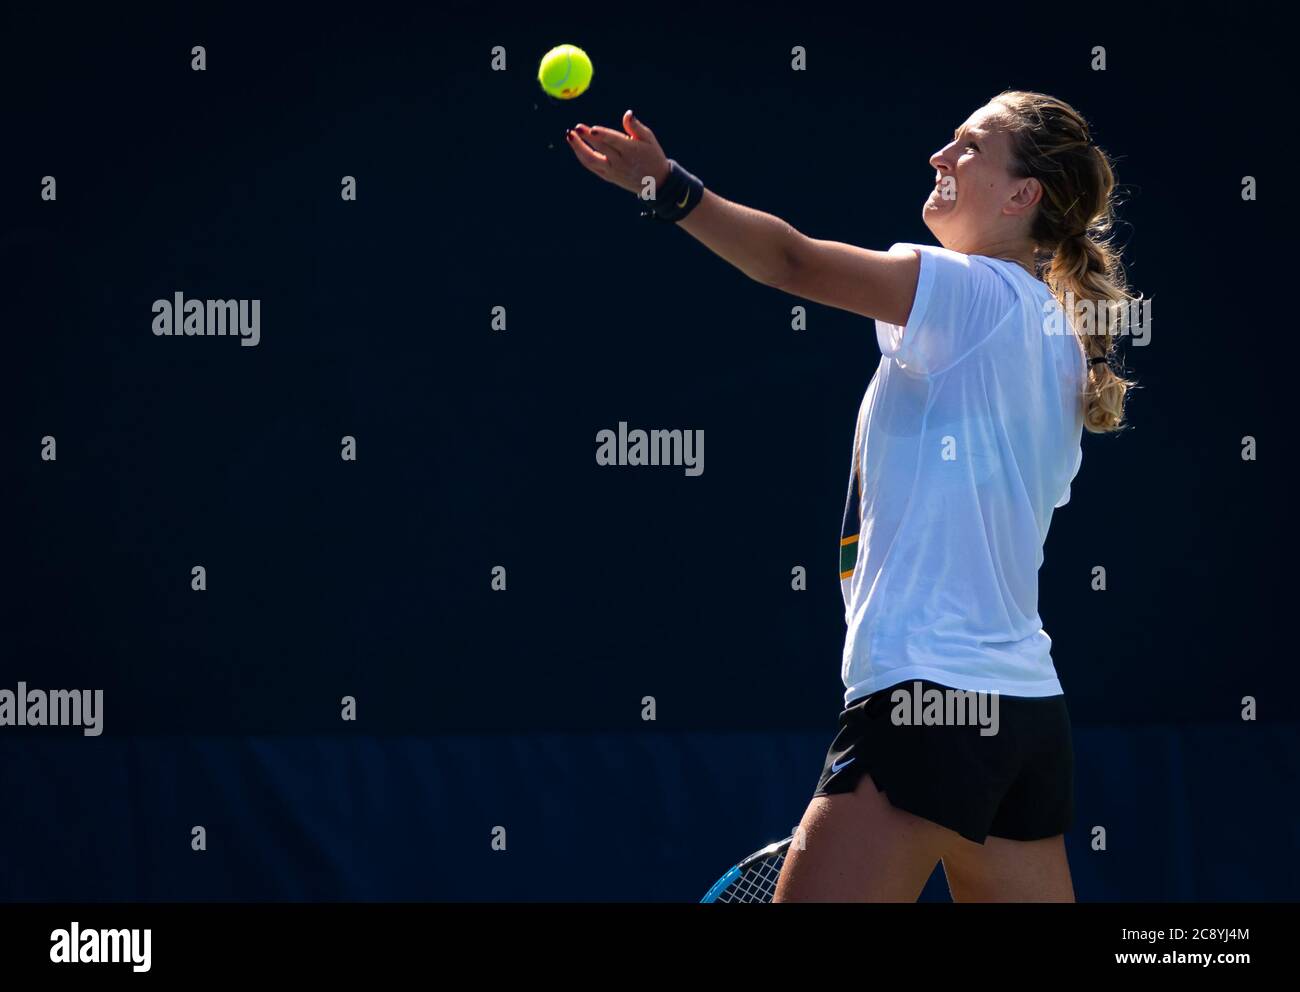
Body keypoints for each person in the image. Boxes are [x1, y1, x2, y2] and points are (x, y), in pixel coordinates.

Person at [566, 90, 1136, 902]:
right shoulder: (1059, 342)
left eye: (970, 147)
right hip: (1026, 720)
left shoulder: (971, 294)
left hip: (926, 702)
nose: (941, 157)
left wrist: (672, 187)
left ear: (1022, 196)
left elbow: (791, 261)